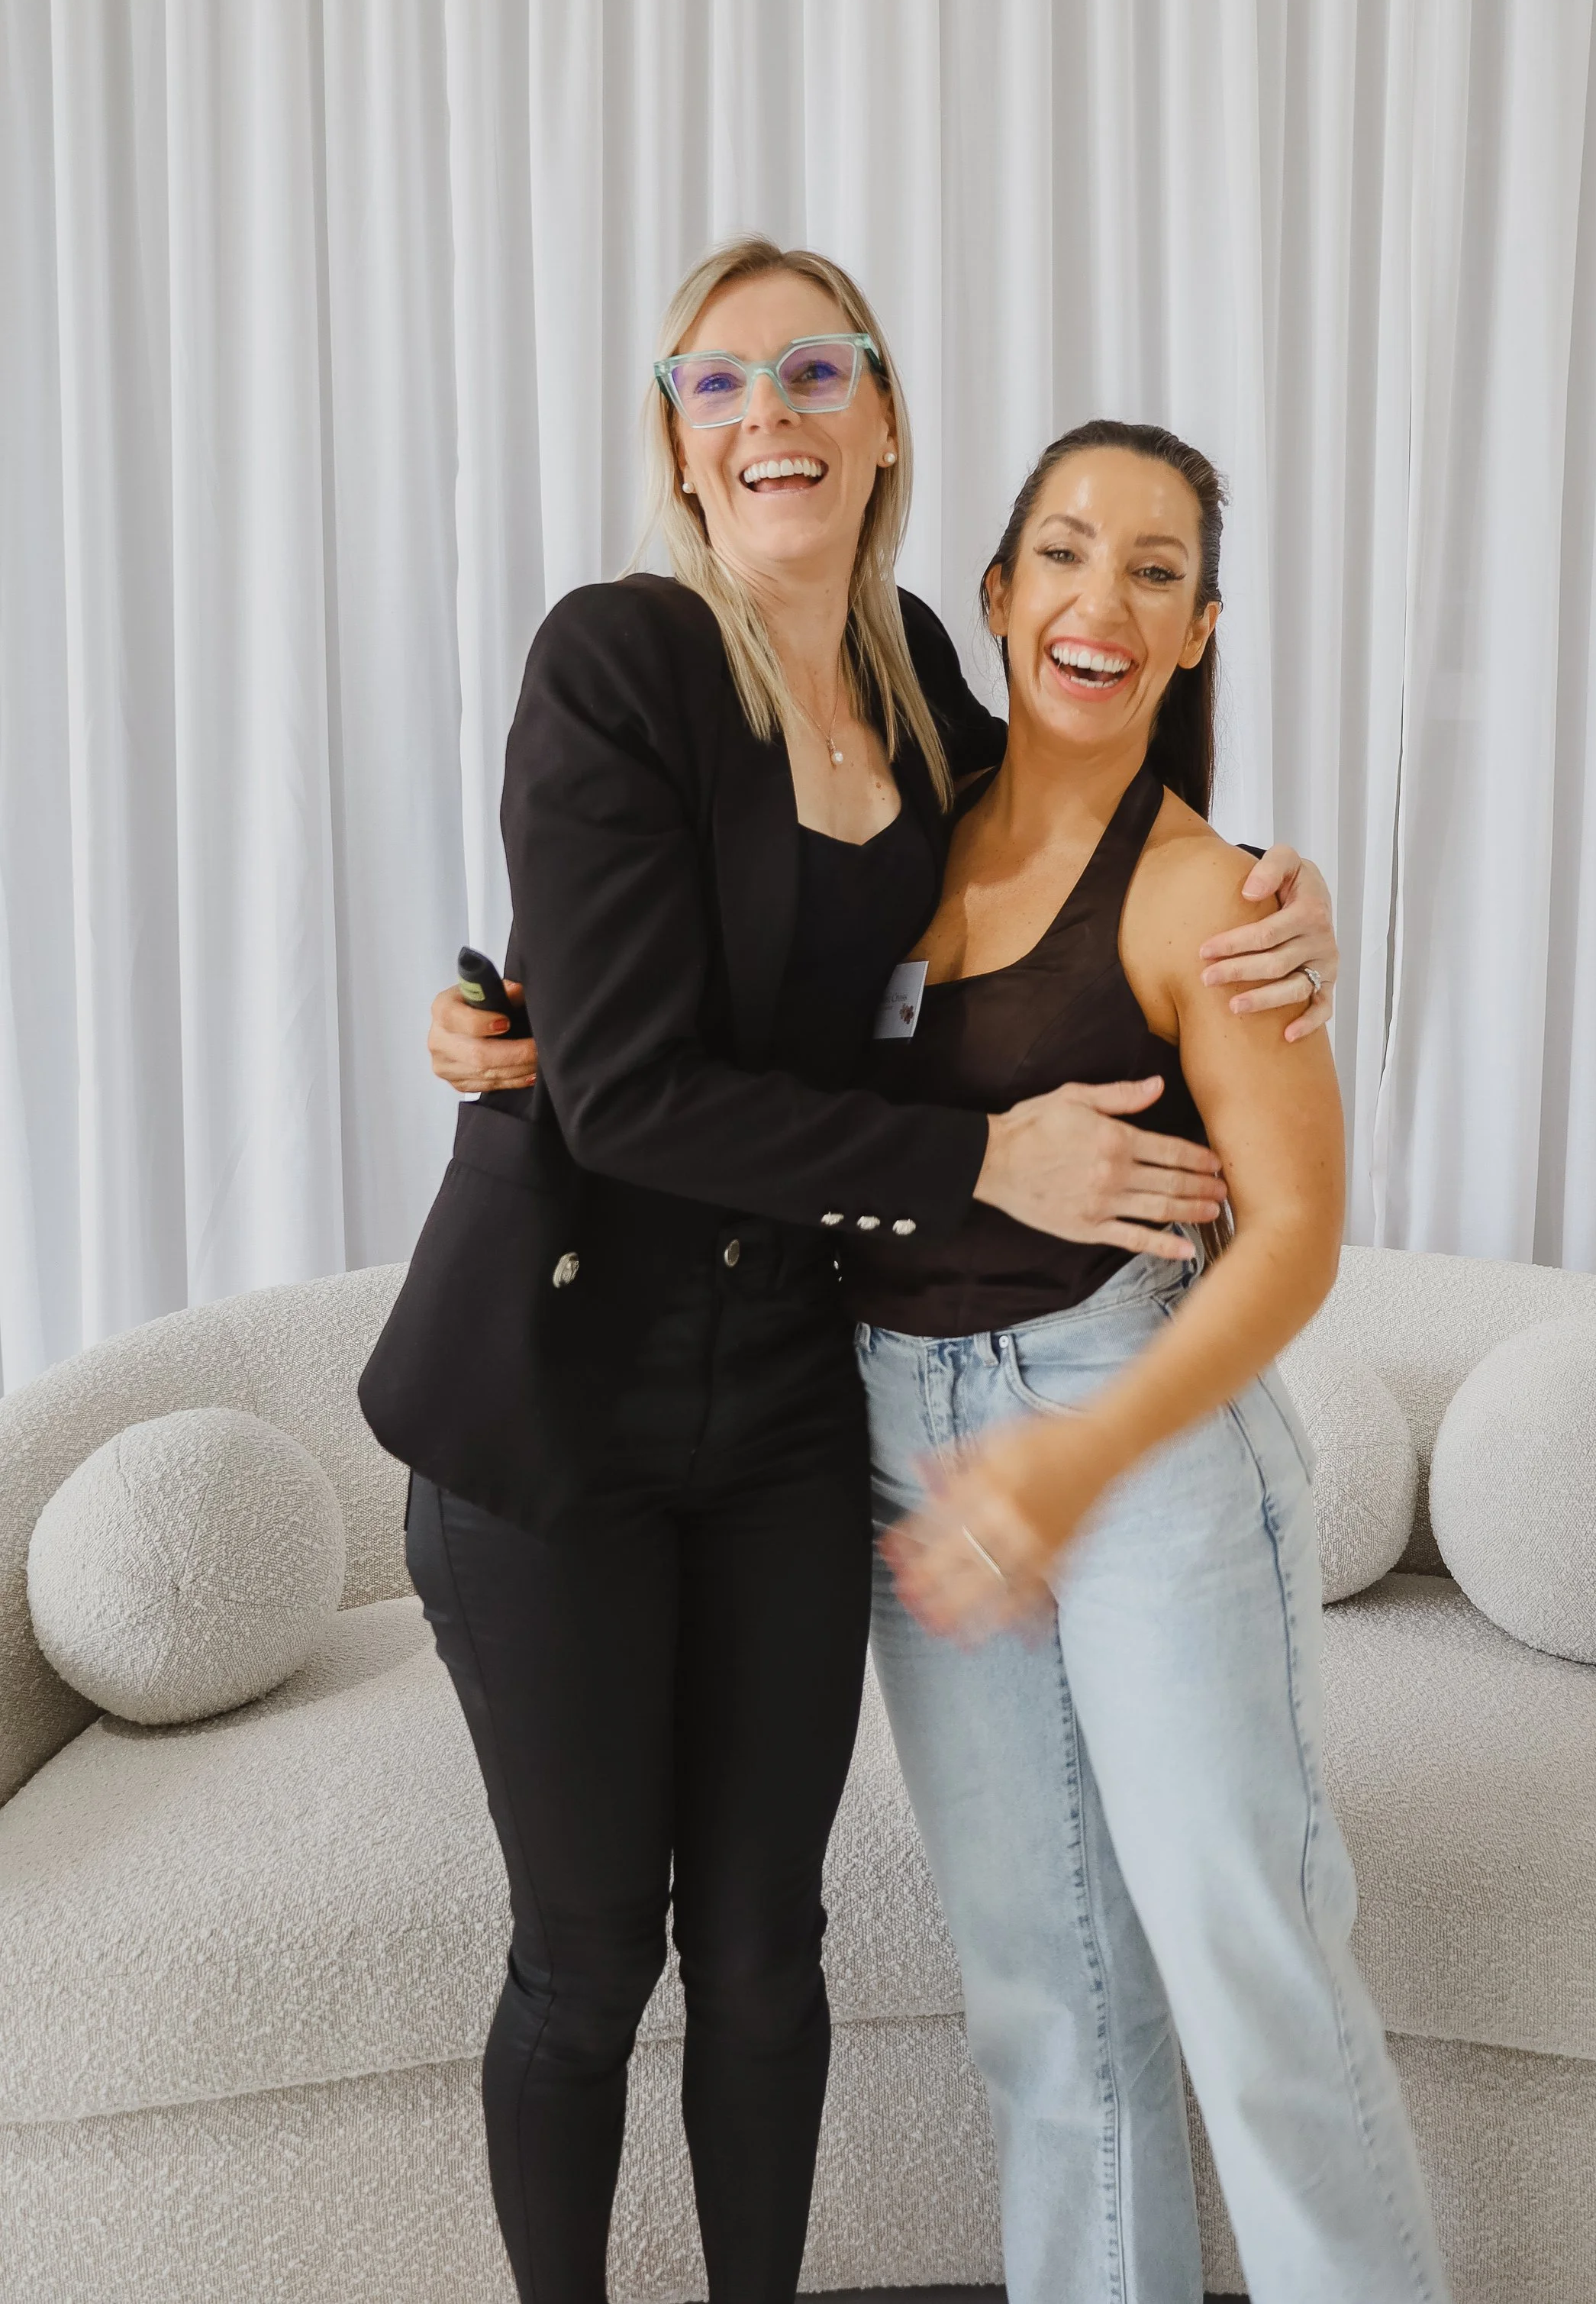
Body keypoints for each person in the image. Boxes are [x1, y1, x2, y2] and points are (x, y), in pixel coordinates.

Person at [382, 233, 1339, 2304]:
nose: (770, 413)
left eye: (815, 369)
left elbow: (1064, 819)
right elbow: (625, 1086)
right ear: (675, 441)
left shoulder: (911, 666)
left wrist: (1275, 886)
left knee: (763, 1949)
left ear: (885, 417)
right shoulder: (620, 657)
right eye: (717, 383)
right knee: (587, 1958)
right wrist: (980, 1151)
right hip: (556, 1397)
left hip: (793, 1407)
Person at [851, 420, 1451, 2304]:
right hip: (908, 1436)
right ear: (994, 592)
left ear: (1196, 631)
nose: (1098, 599)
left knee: (1249, 1981)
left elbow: (1292, 1239)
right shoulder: (898, 840)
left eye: (1154, 569)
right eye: (1062, 551)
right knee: (1047, 2011)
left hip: (1134, 1446)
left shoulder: (1207, 898)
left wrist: (1078, 1455)